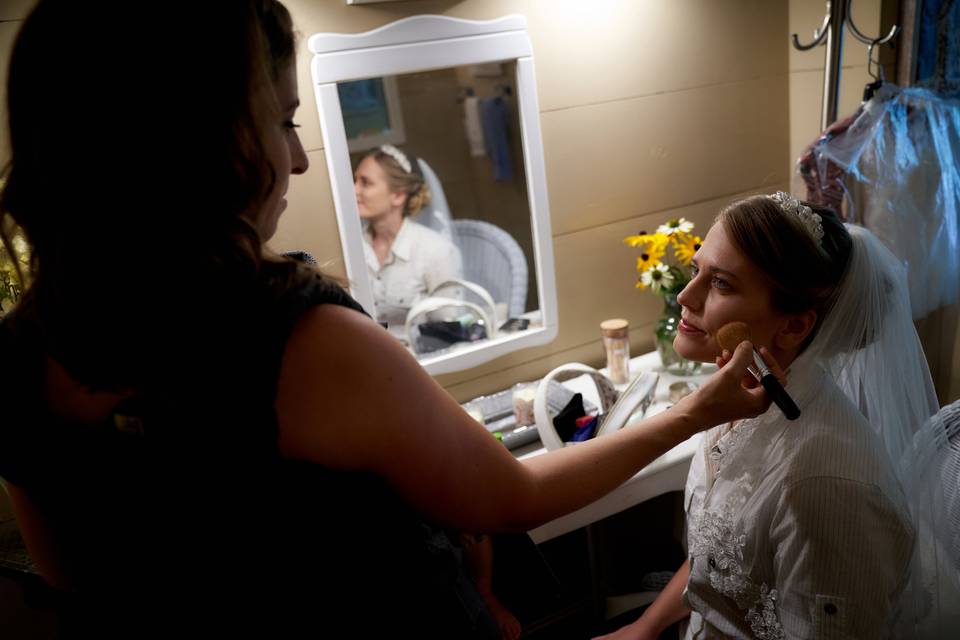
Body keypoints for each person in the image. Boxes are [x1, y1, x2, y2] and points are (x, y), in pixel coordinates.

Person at [0, 2, 775, 637]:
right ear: (203, 140)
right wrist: (692, 414)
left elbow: (84, 584)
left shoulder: (20, 354)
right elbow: (513, 497)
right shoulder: (300, 342)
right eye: (281, 120)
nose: (297, 160)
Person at [596, 193, 957, 639]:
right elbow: (720, 550)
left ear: (793, 326)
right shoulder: (737, 398)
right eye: (696, 271)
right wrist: (646, 627)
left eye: (722, 284)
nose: (685, 296)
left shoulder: (822, 488)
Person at [354, 144, 463, 331]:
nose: (354, 190)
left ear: (397, 196)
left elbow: (450, 330)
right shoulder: (351, 249)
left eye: (365, 183)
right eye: (354, 181)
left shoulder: (436, 251)